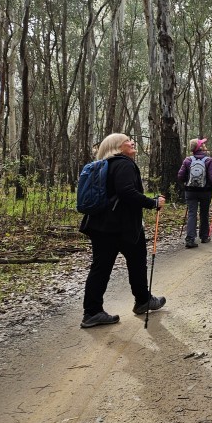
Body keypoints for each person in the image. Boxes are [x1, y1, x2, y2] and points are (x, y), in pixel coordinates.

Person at [78, 133, 166, 328]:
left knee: (101, 267)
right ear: (117, 146)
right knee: (137, 261)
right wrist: (153, 203)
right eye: (127, 140)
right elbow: (127, 192)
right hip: (122, 226)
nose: (132, 142)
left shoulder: (106, 165)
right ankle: (142, 300)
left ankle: (91, 312)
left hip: (100, 225)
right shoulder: (124, 163)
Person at [177, 138, 212, 248]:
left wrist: (187, 182)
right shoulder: (209, 160)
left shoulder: (188, 160)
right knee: (204, 213)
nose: (205, 145)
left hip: (190, 192)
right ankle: (204, 236)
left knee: (192, 214)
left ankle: (190, 239)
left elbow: (180, 176)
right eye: (203, 144)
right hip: (205, 192)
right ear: (200, 147)